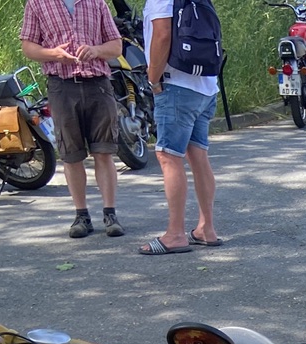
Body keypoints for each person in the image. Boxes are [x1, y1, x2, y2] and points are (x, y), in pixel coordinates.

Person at [20, 0, 126, 238]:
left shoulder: (96, 2)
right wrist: (53, 54)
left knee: (104, 151)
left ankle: (110, 214)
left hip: (98, 84)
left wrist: (96, 50)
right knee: (71, 154)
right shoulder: (37, 4)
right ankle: (81, 216)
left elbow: (116, 45)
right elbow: (28, 47)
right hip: (62, 86)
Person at [139, 0, 221, 254]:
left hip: (176, 85)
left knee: (168, 156)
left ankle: (175, 234)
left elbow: (162, 34)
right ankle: (206, 229)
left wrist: (153, 80)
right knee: (198, 154)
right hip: (206, 86)